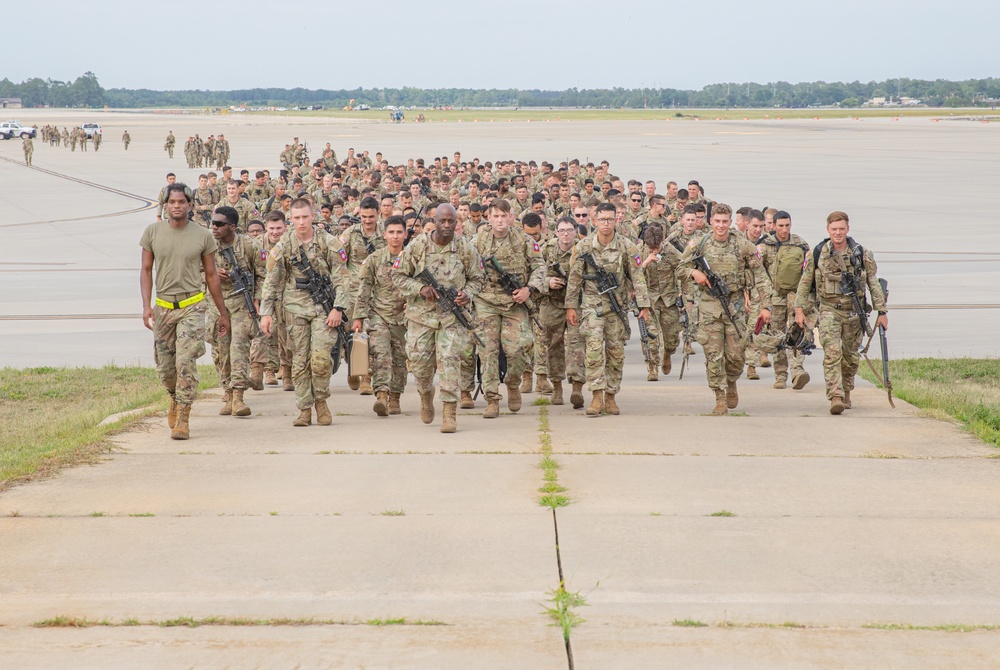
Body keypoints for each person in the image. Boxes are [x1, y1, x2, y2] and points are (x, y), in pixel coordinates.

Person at [140, 183, 229, 440]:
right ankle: (174, 398)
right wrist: (147, 305)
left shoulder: (202, 235)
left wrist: (222, 312)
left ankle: (183, 418)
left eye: (181, 202)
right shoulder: (152, 232)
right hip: (164, 307)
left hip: (192, 306)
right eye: (172, 202)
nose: (176, 206)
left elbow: (211, 275)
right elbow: (146, 270)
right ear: (166, 205)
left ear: (190, 205)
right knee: (166, 369)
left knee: (185, 363)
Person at [260, 198, 351, 427]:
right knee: (300, 361)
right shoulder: (284, 245)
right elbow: (272, 280)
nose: (301, 222)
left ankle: (321, 402)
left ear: (313, 216)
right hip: (294, 309)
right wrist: (266, 313)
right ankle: (304, 409)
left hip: (324, 310)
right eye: (296, 217)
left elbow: (342, 279)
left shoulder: (328, 243)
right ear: (291, 218)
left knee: (320, 360)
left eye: (305, 217)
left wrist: (338, 309)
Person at [393, 204, 484, 433]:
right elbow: (397, 275)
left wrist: (467, 294)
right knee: (421, 367)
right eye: (442, 221)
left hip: (452, 318)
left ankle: (449, 413)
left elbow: (478, 278)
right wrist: (420, 288)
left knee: (450, 362)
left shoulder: (465, 248)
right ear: (434, 220)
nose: (446, 226)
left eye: (450, 222)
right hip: (421, 317)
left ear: (456, 223)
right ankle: (425, 395)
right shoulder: (418, 246)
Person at [680, 203, 771, 415]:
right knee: (713, 356)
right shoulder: (699, 243)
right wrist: (695, 274)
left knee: (736, 356)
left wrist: (766, 306)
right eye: (717, 221)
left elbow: (760, 275)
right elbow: (680, 266)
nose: (720, 225)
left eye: (724, 221)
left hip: (735, 308)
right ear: (711, 222)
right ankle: (719, 396)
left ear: (730, 222)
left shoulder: (742, 245)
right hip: (709, 309)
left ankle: (731, 381)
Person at [795, 211, 887, 415]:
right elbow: (805, 281)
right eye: (834, 229)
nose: (838, 233)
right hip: (829, 310)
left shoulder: (861, 253)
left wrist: (882, 311)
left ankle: (846, 390)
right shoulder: (818, 252)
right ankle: (835, 395)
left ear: (848, 229)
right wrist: (798, 309)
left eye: (841, 229)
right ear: (828, 229)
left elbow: (873, 282)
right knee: (832, 353)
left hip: (854, 313)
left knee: (850, 357)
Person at [565, 202, 651, 416]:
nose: (605, 223)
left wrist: (644, 305)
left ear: (616, 220)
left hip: (616, 307)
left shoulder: (627, 246)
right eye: (601, 219)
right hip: (592, 306)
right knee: (593, 351)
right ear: (595, 221)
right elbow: (574, 279)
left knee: (615, 353)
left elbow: (637, 277)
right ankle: (596, 396)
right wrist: (570, 306)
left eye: (609, 219)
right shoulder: (583, 247)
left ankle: (611, 396)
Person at [474, 199, 546, 419]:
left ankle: (513, 385)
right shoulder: (477, 241)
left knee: (516, 350)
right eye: (495, 216)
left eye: (504, 216)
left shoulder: (523, 240)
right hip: (486, 302)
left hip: (515, 303)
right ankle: (492, 398)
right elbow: (465, 267)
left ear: (511, 217)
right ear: (489, 218)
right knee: (487, 352)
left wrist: (529, 289)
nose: (500, 220)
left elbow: (539, 267)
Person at [206, 206, 265, 417]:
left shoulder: (250, 245)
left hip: (241, 301)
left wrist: (258, 300)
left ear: (232, 226)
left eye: (220, 224)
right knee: (221, 350)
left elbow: (262, 275)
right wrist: (210, 274)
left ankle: (239, 397)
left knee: (238, 347)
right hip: (216, 302)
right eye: (213, 223)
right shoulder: (207, 245)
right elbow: (193, 269)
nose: (214, 228)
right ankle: (227, 393)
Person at [352, 216, 409, 417]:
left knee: (400, 360)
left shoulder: (412, 258)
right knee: (381, 355)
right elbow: (364, 288)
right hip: (379, 315)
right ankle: (382, 395)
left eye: (399, 232)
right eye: (391, 232)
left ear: (405, 234)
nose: (395, 236)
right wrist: (358, 316)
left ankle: (395, 396)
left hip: (404, 318)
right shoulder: (375, 259)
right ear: (384, 235)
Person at [759, 210, 812, 390]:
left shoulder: (801, 244)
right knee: (778, 335)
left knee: (797, 332)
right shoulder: (766, 245)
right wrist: (763, 302)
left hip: (795, 296)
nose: (784, 229)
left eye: (787, 225)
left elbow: (809, 271)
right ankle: (780, 375)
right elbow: (758, 274)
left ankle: (797, 371)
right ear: (773, 226)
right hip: (774, 297)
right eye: (780, 225)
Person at [539, 217, 586, 407]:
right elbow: (533, 272)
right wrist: (547, 282)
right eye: (561, 230)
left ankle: (577, 387)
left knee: (577, 345)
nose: (565, 234)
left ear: (576, 232)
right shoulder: (547, 249)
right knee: (553, 346)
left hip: (576, 304)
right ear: (556, 232)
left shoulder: (583, 249)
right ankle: (557, 386)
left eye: (569, 230)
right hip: (552, 304)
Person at [638, 223, 685, 380]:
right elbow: (633, 275)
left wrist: (683, 292)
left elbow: (683, 268)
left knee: (671, 337)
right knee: (651, 336)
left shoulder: (670, 250)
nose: (654, 251)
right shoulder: (640, 251)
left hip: (668, 298)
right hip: (649, 300)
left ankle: (667, 353)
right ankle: (652, 368)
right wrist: (645, 262)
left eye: (656, 248)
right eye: (651, 248)